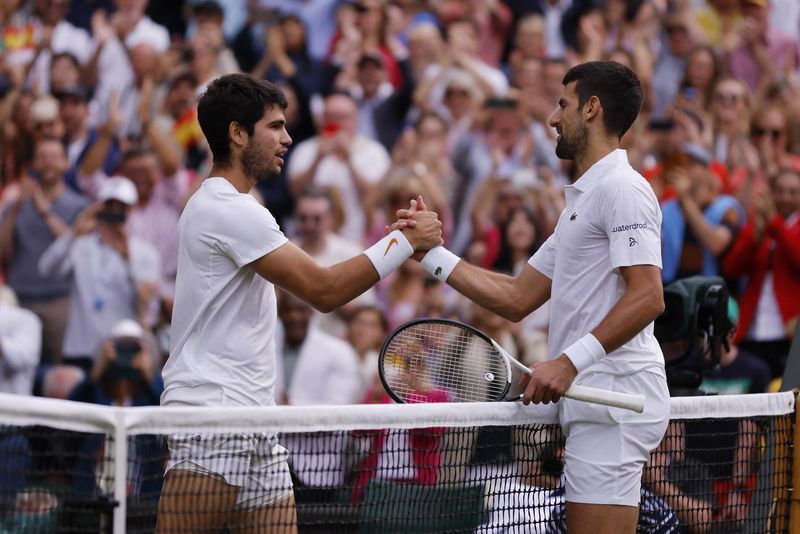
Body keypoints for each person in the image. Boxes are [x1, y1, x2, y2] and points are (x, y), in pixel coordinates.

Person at [155, 73, 441, 533]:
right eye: (275, 126)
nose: (288, 138)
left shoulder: (234, 207)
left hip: (256, 418)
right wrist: (404, 243)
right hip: (213, 415)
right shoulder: (228, 208)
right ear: (237, 133)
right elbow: (324, 290)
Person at [395, 61, 670, 533]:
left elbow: (648, 297)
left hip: (614, 402)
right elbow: (516, 296)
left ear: (591, 108)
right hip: (598, 404)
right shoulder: (583, 203)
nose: (552, 117)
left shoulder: (623, 189)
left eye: (562, 104)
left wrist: (566, 363)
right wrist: (431, 254)